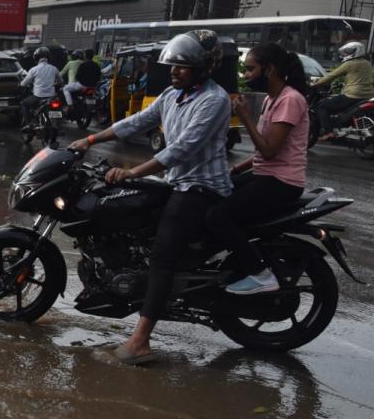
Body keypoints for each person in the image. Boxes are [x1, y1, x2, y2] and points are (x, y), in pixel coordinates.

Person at [69, 30, 233, 365]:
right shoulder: (173, 95)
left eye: (182, 66)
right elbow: (138, 122)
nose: (174, 71)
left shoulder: (214, 101)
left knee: (161, 257)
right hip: (177, 183)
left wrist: (132, 171)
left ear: (203, 68)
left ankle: (140, 341)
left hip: (200, 188)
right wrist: (90, 140)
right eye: (172, 65)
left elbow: (181, 149)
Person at [205, 43, 310, 294]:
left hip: (282, 183)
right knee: (210, 195)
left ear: (270, 69)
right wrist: (234, 170)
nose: (246, 75)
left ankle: (260, 274)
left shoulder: (290, 100)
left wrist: (244, 118)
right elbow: (264, 155)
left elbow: (270, 150)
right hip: (266, 174)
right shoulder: (271, 99)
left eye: (250, 69)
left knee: (217, 216)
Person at [311, 41, 374, 135]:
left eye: (348, 52)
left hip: (353, 95)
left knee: (322, 106)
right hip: (368, 96)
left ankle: (328, 131)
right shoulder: (367, 63)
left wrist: (315, 84)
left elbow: (332, 76)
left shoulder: (349, 64)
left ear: (356, 52)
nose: (346, 54)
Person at [18, 46, 62, 128]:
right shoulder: (54, 69)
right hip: (51, 97)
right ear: (48, 57)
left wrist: (19, 85)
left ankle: (29, 124)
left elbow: (24, 83)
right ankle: (57, 126)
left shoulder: (34, 70)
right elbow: (60, 81)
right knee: (58, 107)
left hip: (38, 96)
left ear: (36, 58)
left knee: (23, 104)